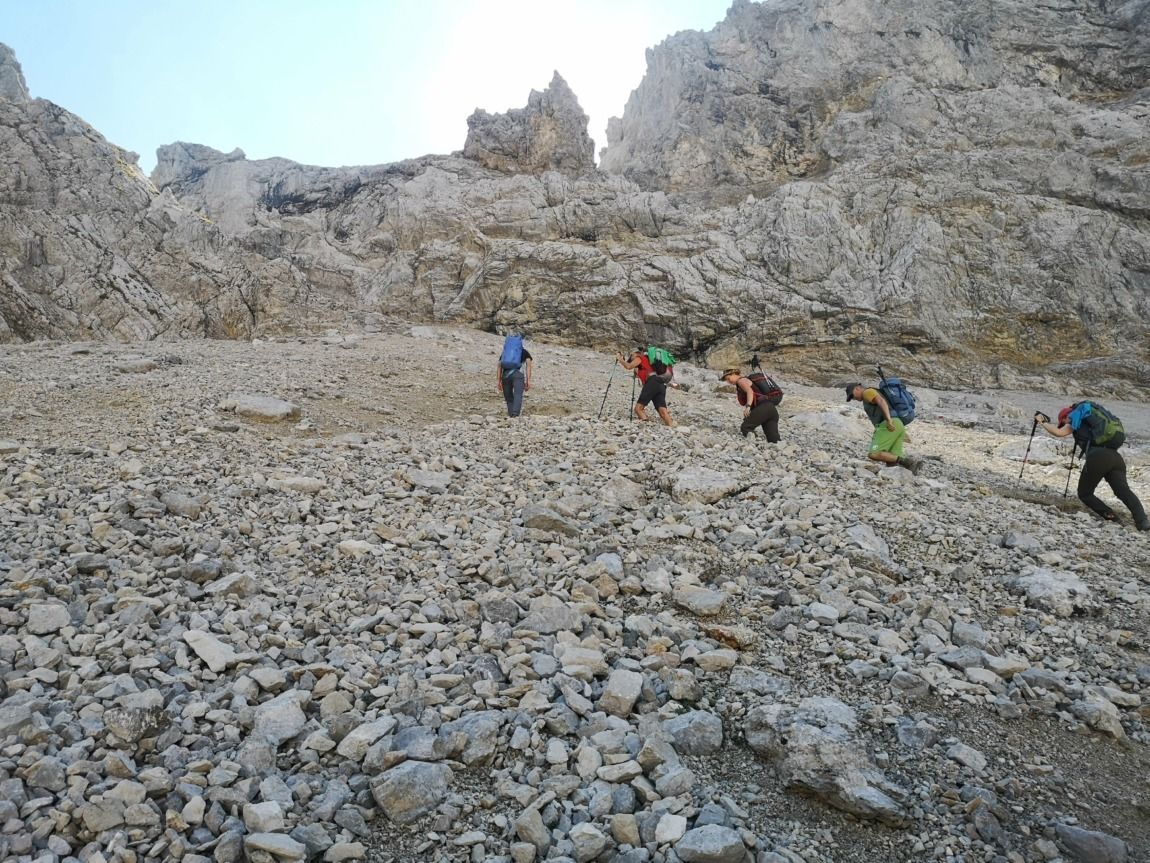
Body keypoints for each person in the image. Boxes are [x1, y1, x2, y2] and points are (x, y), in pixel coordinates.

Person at [1036, 405, 1149, 530]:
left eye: (1063, 422)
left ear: (1066, 417)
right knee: (1124, 492)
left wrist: (1042, 422)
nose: (1064, 425)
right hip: (1116, 458)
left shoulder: (1076, 419)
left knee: (1085, 493)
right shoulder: (1094, 424)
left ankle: (1113, 518)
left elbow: (1058, 433)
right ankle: (1143, 522)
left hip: (1098, 457)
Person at [846, 383, 923, 474]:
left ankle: (908, 461)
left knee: (874, 453)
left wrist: (888, 420)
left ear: (857, 388)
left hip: (889, 424)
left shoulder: (867, 392)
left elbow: (881, 401)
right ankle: (903, 477)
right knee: (891, 462)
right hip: (897, 424)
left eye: (852, 395)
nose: (853, 398)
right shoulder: (871, 392)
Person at [720, 367, 781, 442]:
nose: (728, 381)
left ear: (734, 374)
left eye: (728, 378)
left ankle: (756, 444)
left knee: (746, 427)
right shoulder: (747, 380)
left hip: (763, 408)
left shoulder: (741, 380)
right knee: (774, 439)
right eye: (726, 380)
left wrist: (748, 407)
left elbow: (750, 392)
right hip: (771, 409)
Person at [616, 349, 674, 425]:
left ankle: (645, 426)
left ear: (635, 353)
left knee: (638, 409)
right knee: (663, 412)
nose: (631, 358)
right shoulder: (648, 362)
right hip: (661, 384)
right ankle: (672, 426)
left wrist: (620, 359)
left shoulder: (640, 357)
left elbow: (628, 366)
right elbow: (637, 370)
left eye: (631, 355)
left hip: (652, 383)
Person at [496, 340, 532, 417]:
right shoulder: (524, 352)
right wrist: (528, 381)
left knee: (509, 398)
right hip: (518, 375)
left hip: (505, 375)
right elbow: (528, 365)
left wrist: (499, 381)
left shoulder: (506, 352)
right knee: (518, 395)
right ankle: (515, 415)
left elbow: (499, 366)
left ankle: (511, 414)